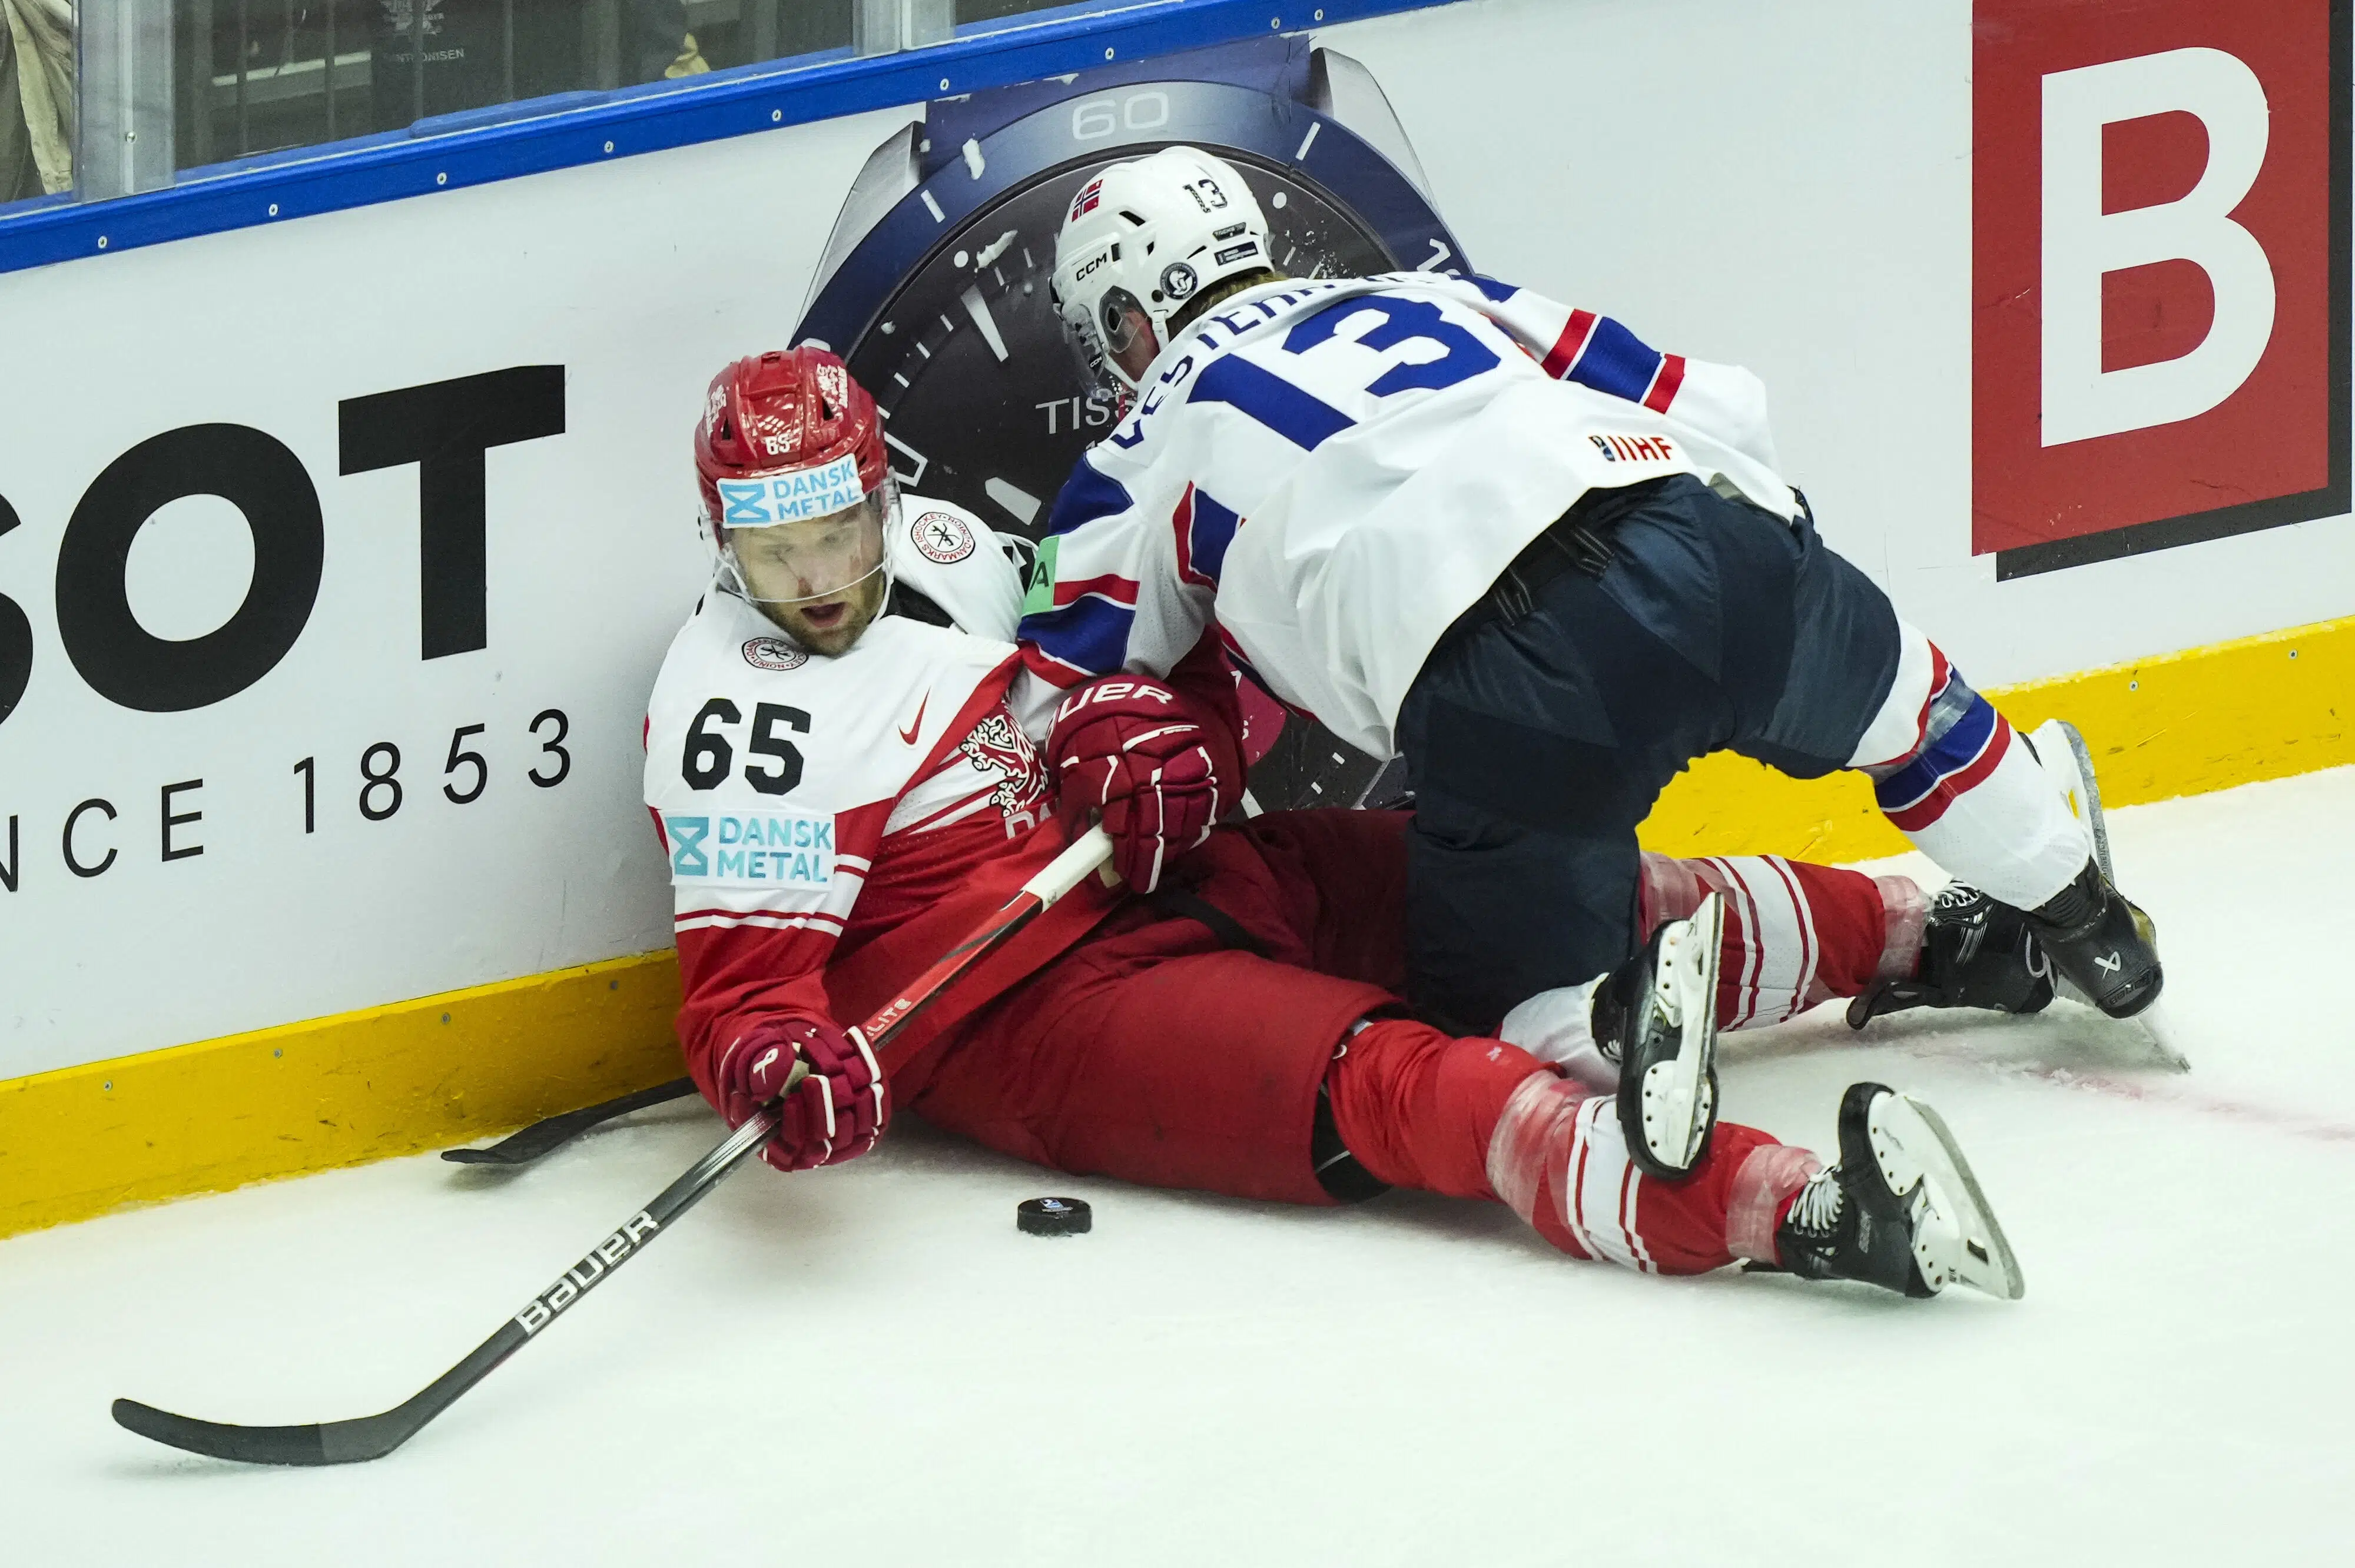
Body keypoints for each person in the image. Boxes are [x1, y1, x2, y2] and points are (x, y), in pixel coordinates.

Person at [641, 346, 2031, 1303]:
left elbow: (1153, 686)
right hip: (1039, 1015)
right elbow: (741, 996)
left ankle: (1934, 935)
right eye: (775, 551)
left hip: (1184, 879)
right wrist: (780, 1066)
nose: (815, 582)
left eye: (836, 534)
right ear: (722, 539)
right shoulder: (735, 713)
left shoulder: (954, 550)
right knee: (1406, 1082)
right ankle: (1798, 1212)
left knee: (1570, 892)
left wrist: (1150, 741)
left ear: (879, 497)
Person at [1022, 146, 2164, 1179]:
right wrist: (1789, 579)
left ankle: (1615, 1023)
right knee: (1912, 707)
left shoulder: (1140, 448)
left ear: (1129, 314)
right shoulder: (1433, 296)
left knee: (1495, 1014)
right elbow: (1712, 403)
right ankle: (2084, 915)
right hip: (1697, 531)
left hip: (1498, 679)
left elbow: (1065, 689)